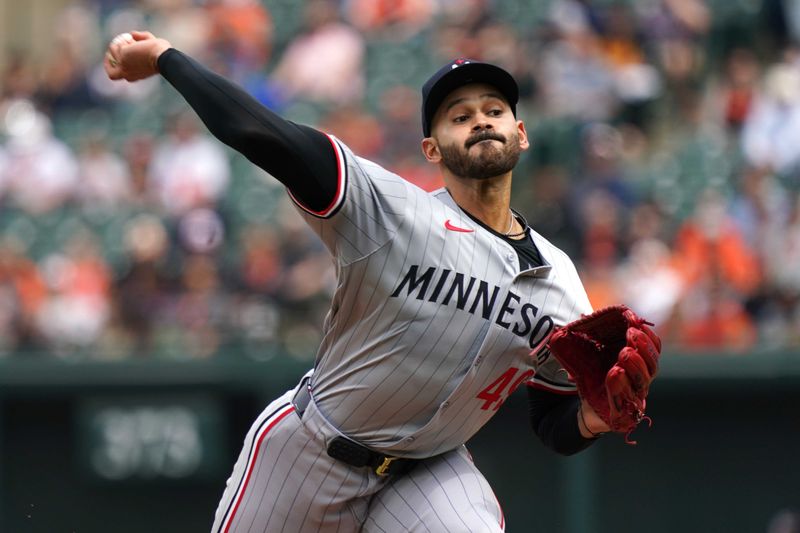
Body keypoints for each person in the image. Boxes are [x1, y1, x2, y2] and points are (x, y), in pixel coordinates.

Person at [105, 31, 635, 532]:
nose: (481, 122)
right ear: (432, 149)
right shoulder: (389, 212)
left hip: (429, 472)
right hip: (312, 450)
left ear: (520, 135)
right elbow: (263, 134)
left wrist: (590, 418)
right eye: (460, 116)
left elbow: (551, 416)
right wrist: (166, 58)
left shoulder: (561, 278)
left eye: (495, 111)